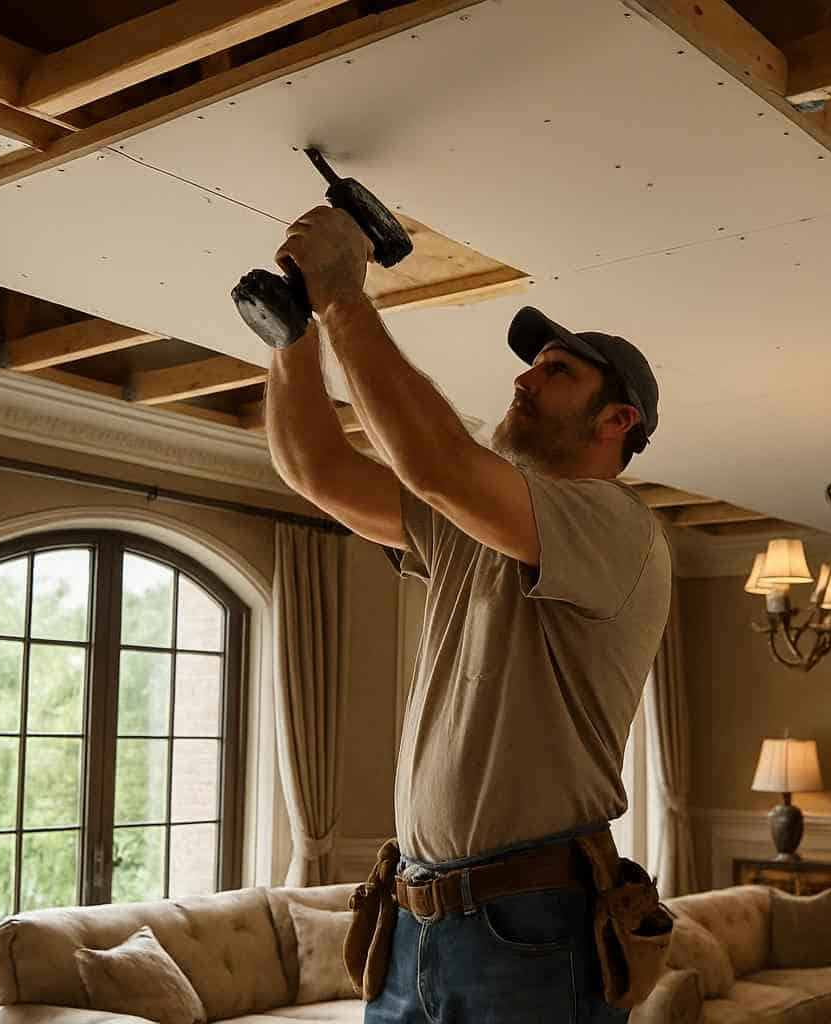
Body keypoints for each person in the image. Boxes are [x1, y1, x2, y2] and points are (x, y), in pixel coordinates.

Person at [264, 206, 672, 1023]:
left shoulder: (615, 526)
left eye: (557, 372)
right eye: (531, 366)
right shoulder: (468, 530)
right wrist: (292, 334)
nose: (522, 379)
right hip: (411, 922)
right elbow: (317, 469)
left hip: (533, 927)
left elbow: (440, 464)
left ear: (616, 420)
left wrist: (345, 292)